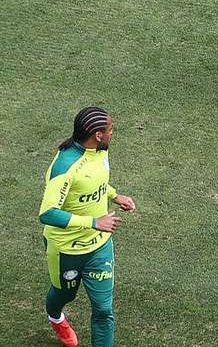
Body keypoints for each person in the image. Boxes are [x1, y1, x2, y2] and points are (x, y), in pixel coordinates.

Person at [39, 106, 136, 347]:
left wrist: (114, 196)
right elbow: (48, 213)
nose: (113, 132)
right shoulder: (65, 167)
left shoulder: (101, 151)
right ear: (98, 135)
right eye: (110, 129)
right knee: (65, 294)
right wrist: (94, 222)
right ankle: (56, 318)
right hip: (66, 250)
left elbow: (96, 182)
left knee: (103, 310)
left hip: (99, 247)